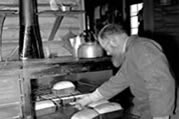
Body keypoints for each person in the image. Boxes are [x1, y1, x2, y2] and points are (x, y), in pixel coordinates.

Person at [72, 24, 176, 119]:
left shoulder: (142, 48)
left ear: (113, 41)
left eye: (106, 48)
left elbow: (160, 84)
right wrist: (87, 100)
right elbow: (115, 83)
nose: (108, 53)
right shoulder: (132, 52)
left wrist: (160, 117)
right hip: (149, 112)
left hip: (168, 114)